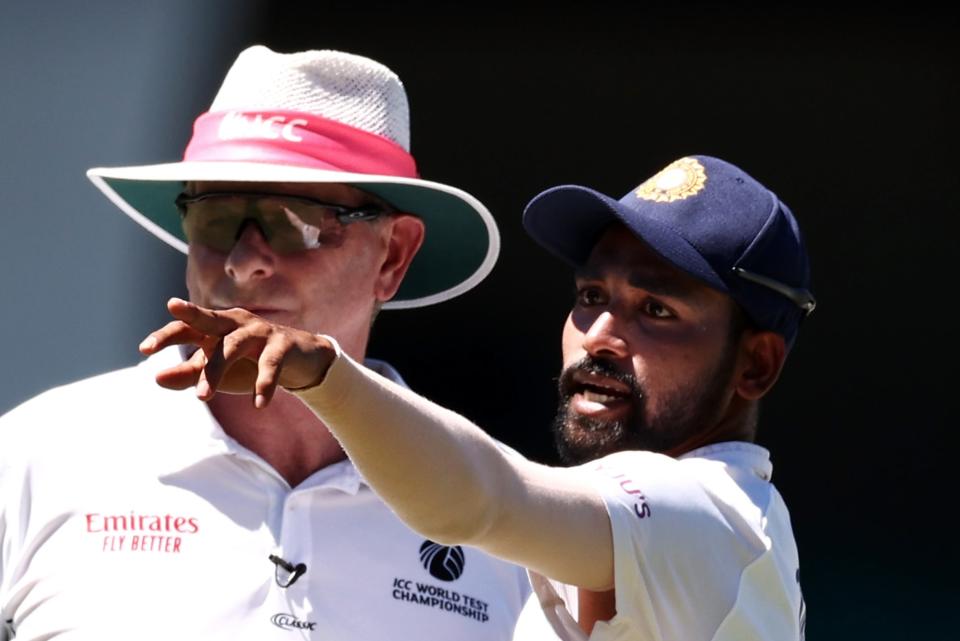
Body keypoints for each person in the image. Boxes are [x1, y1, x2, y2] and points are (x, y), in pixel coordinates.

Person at [139, 154, 815, 641]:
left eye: (658, 310)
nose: (600, 335)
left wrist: (327, 374)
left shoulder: (712, 514)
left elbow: (481, 502)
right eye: (590, 297)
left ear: (755, 365)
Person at [0, 45, 532, 639]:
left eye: (293, 219)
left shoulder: (507, 509)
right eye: (215, 217)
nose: (245, 259)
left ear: (394, 255)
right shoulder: (34, 455)